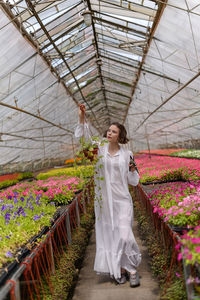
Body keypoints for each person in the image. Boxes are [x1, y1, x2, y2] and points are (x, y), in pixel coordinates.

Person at [75, 104, 141, 287]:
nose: (109, 133)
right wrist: (82, 117)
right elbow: (84, 140)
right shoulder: (100, 150)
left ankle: (132, 268)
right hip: (105, 203)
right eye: (109, 130)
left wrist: (133, 169)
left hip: (122, 201)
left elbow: (134, 181)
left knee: (124, 235)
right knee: (111, 235)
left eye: (114, 131)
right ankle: (119, 270)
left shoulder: (127, 155)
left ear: (120, 136)